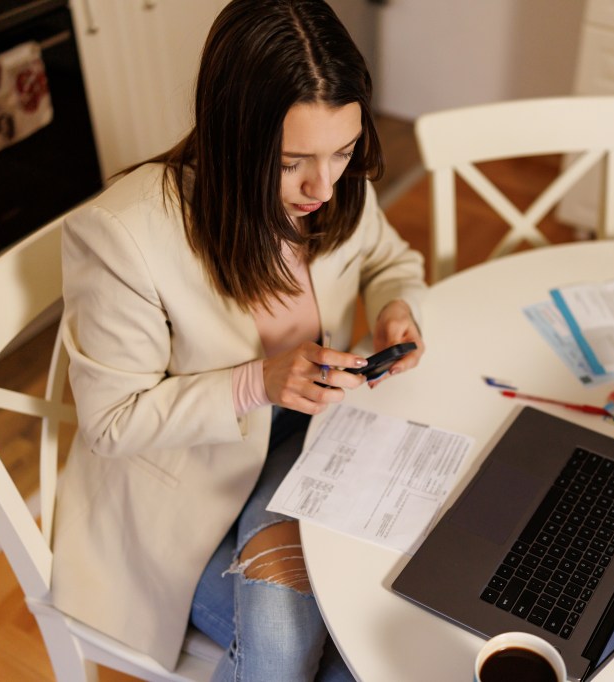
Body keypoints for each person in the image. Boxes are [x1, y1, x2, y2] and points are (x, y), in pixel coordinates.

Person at [50, 0, 426, 679]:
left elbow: (388, 260)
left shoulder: (334, 190)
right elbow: (109, 422)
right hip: (186, 517)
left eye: (342, 152)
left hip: (311, 452)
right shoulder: (124, 236)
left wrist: (396, 305)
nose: (324, 184)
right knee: (310, 661)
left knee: (390, 641)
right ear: (234, 138)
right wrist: (258, 380)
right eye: (292, 164)